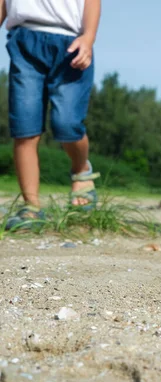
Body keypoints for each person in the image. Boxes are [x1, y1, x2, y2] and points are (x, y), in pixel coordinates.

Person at [1, 0, 102, 230]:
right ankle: (31, 206)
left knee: (67, 124)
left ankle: (81, 170)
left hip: (71, 44)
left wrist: (89, 37)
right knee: (24, 127)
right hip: (24, 39)